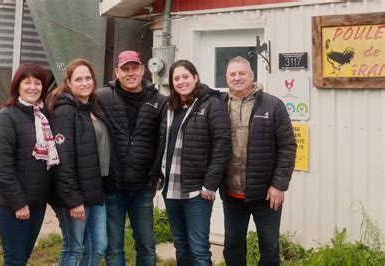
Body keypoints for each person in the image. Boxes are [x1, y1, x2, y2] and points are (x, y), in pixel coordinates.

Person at [153, 59, 232, 265]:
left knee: (198, 249)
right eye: (176, 78)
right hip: (170, 188)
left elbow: (222, 145)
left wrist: (210, 184)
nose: (181, 82)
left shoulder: (211, 103)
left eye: (185, 76)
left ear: (195, 77)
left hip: (197, 190)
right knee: (180, 244)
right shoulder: (169, 107)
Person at [222, 56, 297, 266]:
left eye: (242, 73)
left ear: (252, 76)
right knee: (233, 244)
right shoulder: (219, 104)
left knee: (270, 245)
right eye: (232, 74)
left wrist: (279, 185)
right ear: (226, 77)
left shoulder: (272, 105)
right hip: (231, 191)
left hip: (266, 192)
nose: (237, 78)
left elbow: (287, 146)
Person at [96, 50, 166, 266]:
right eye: (125, 69)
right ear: (117, 72)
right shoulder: (102, 97)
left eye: (134, 68)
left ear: (143, 69)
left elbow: (162, 139)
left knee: (147, 247)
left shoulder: (159, 100)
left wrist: (154, 175)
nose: (130, 73)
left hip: (142, 188)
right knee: (114, 248)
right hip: (112, 186)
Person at [46, 59, 117, 266]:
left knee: (98, 246)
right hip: (73, 195)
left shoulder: (91, 107)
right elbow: (63, 159)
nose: (85, 82)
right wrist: (73, 200)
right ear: (68, 82)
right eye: (78, 79)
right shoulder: (63, 111)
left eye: (88, 78)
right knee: (73, 247)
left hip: (95, 188)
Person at [0, 62, 58, 265]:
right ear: (17, 86)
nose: (32, 88)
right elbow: (2, 166)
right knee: (15, 259)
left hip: (36, 202)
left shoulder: (43, 116)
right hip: (11, 204)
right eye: (27, 82)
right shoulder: (6, 117)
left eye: (37, 83)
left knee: (23, 256)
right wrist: (19, 204)